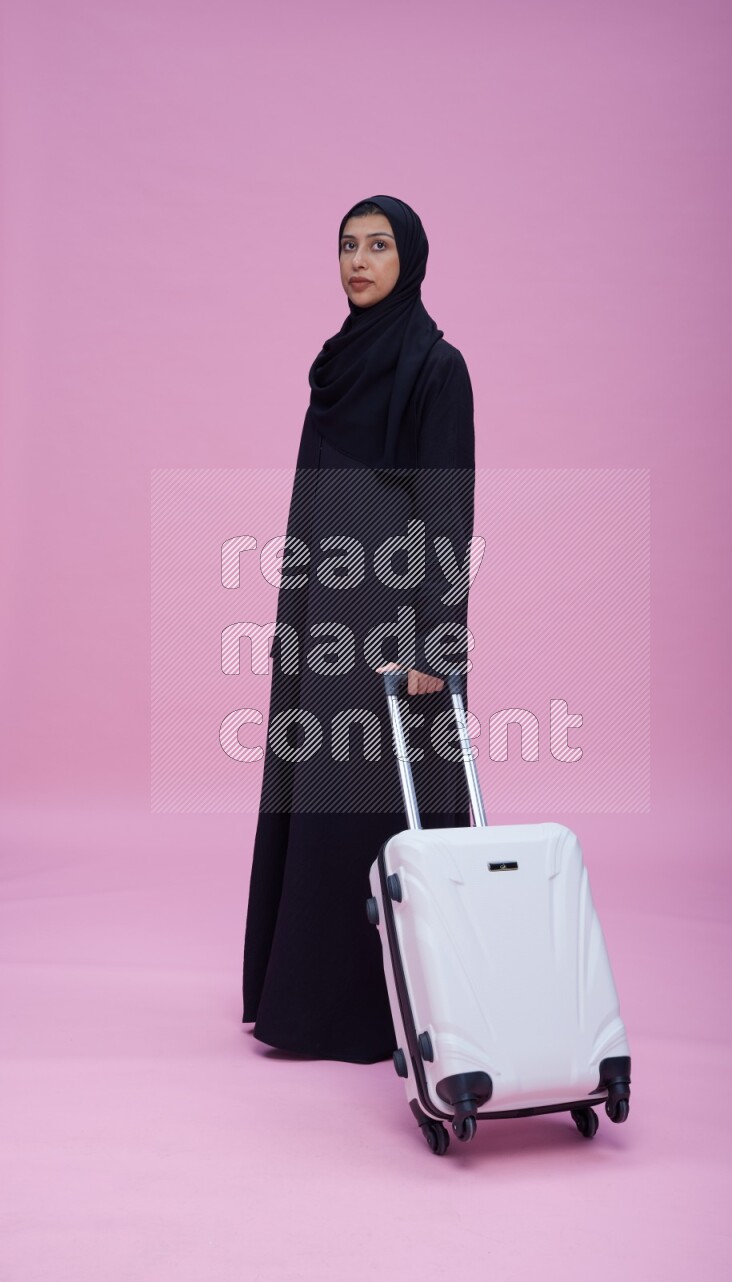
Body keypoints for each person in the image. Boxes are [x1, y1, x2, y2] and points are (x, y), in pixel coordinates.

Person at [242, 195, 476, 1063]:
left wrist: (434, 639)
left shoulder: (435, 368)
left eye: (378, 246)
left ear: (410, 258)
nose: (359, 261)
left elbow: (448, 510)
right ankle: (306, 1004)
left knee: (384, 799)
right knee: (321, 796)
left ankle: (393, 1014)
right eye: (347, 246)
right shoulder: (336, 367)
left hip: (396, 621)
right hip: (325, 613)